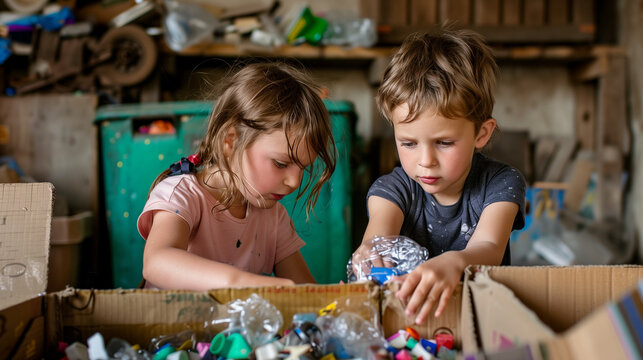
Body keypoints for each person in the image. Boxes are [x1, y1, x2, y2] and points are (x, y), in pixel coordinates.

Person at [353, 28, 526, 324]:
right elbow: (378, 239)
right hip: (409, 321)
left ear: (481, 133)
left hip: (480, 318)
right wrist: (369, 255)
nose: (425, 162)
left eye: (444, 143)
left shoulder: (502, 183)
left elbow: (489, 248)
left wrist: (453, 262)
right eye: (408, 143)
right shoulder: (392, 190)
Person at [137, 62, 336, 290]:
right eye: (281, 163)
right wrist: (241, 283)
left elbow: (306, 292)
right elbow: (156, 263)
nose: (294, 182)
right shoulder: (182, 195)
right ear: (230, 140)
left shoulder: (273, 218)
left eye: (304, 168)